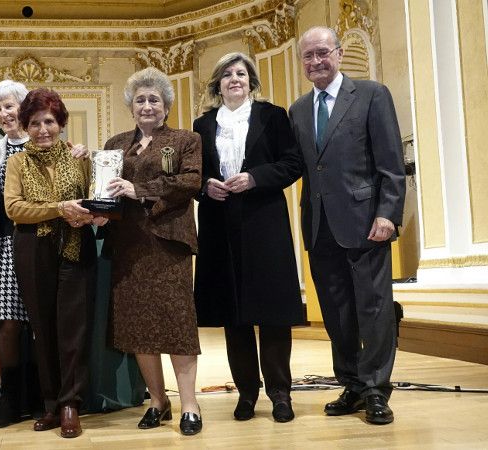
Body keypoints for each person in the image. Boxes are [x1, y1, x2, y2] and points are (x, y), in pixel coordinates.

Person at [289, 26, 405, 425]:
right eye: (308, 56)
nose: (315, 61)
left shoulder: (372, 94)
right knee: (337, 313)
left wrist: (388, 213)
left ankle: (376, 389)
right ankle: (352, 385)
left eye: (322, 52)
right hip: (320, 226)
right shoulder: (298, 109)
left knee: (373, 310)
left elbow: (390, 162)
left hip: (367, 222)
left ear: (338, 54)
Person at [193, 52, 304, 423]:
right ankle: (246, 393)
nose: (234, 79)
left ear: (251, 82)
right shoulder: (203, 124)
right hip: (219, 224)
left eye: (241, 73)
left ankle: (280, 393)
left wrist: (255, 177)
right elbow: (194, 175)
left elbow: (292, 163)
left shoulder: (273, 116)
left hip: (263, 222)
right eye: (226, 75)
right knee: (233, 314)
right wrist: (205, 186)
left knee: (272, 312)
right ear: (217, 85)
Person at [104, 67, 203, 436]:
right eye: (141, 99)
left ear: (166, 106)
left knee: (177, 323)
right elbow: (105, 188)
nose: (147, 106)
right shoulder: (115, 143)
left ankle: (189, 403)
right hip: (128, 245)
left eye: (154, 100)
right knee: (139, 326)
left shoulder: (185, 139)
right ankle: (159, 401)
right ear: (132, 105)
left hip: (168, 244)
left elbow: (190, 182)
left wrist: (138, 189)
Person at [4, 88, 104, 438]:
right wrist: (58, 208)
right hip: (33, 247)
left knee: (73, 329)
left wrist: (88, 214)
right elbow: (14, 208)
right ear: (25, 126)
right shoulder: (17, 162)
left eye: (49, 121)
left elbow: (98, 198)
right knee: (42, 327)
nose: (42, 129)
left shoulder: (80, 157)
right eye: (34, 123)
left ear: (61, 123)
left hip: (77, 245)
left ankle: (70, 404)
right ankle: (49, 403)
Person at [0, 79, 43, 428]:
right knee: (7, 323)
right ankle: (9, 398)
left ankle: (38, 394)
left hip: (40, 241)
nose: (5, 113)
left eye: (10, 105)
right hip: (6, 243)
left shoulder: (43, 142)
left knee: (38, 321)